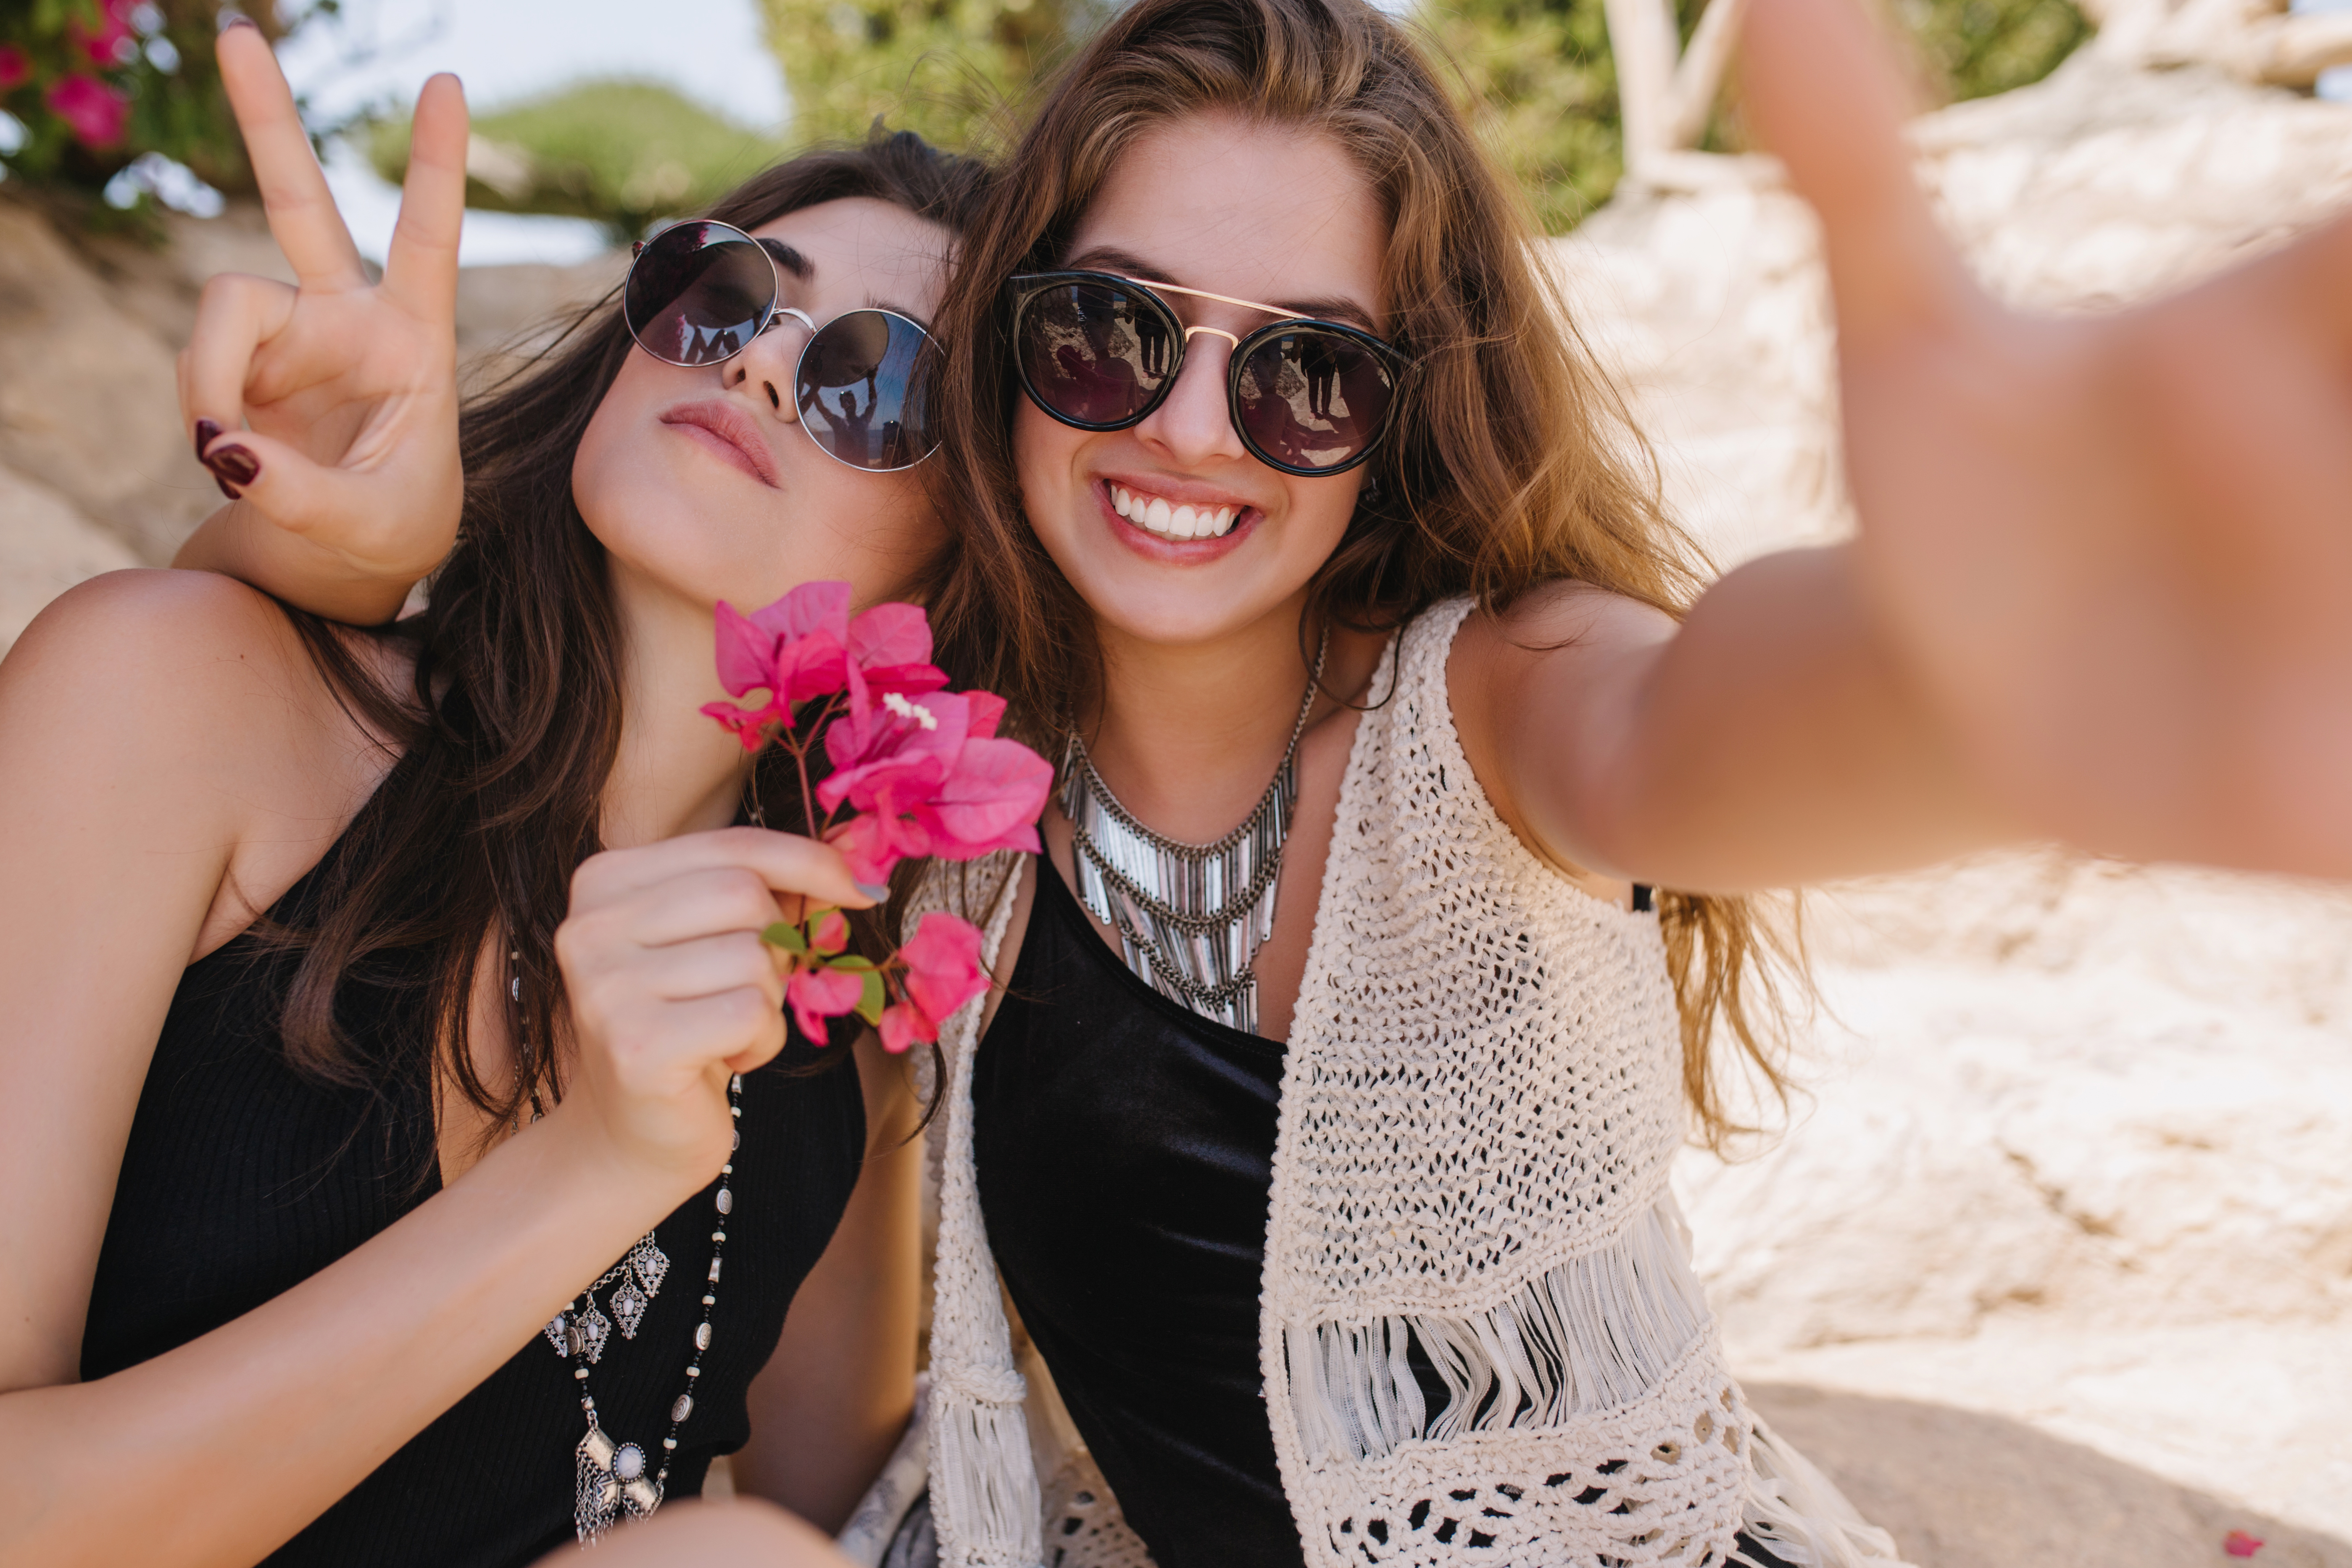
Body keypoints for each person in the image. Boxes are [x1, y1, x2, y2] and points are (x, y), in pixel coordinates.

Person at [158, 0, 2352, 1561]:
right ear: (1015, 362)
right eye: (1114, 328)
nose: (1192, 427)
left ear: (1398, 417)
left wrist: (1968, 683)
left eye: (1306, 372)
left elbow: (1708, 728)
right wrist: (345, 549)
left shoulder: (1495, 707)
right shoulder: (910, 805)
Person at [0, 20, 988, 1566]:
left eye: (881, 381)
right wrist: (597, 1167)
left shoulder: (819, 1052)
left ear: (975, 561)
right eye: (726, 291)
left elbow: (861, 1511)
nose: (768, 359)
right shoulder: (177, 694)